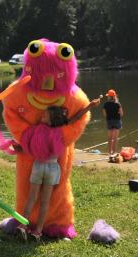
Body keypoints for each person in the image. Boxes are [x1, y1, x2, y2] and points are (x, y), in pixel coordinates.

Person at [18, 98, 101, 240]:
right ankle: (38, 231)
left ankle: (22, 225)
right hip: (52, 168)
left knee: (32, 197)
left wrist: (18, 148)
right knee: (45, 201)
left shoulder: (38, 130)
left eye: (45, 115)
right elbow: (75, 118)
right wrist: (90, 106)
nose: (42, 116)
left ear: (50, 120)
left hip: (39, 165)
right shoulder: (62, 130)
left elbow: (28, 145)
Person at [102, 89, 124, 155]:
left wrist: (108, 115)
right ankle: (114, 152)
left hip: (109, 121)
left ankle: (109, 152)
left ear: (109, 96)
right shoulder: (118, 104)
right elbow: (122, 114)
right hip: (117, 121)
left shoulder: (105, 104)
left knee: (110, 138)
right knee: (115, 138)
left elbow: (104, 114)